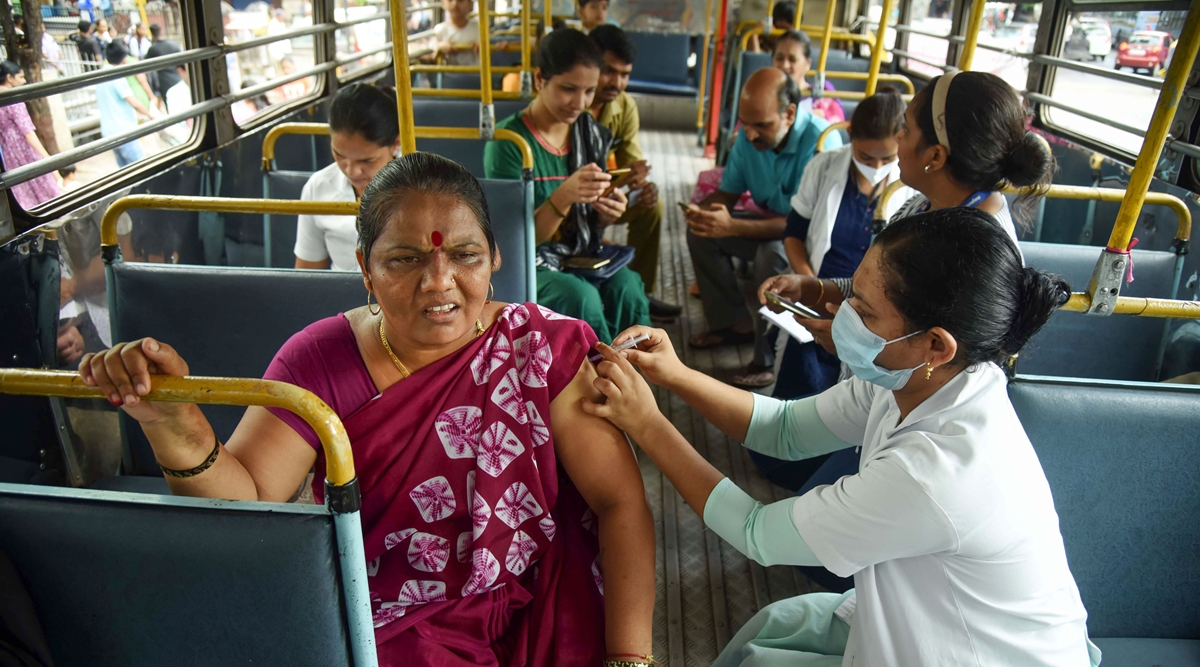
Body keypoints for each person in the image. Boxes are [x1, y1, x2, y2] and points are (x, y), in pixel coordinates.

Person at [76, 152, 656, 666]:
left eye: (465, 254)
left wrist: (629, 660)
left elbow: (618, 501)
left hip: (540, 596)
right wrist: (175, 425)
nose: (439, 281)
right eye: (405, 260)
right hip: (383, 613)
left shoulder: (540, 350)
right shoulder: (319, 361)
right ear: (365, 269)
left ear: (495, 257)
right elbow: (245, 505)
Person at [584, 208, 1101, 667]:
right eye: (853, 293)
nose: (842, 314)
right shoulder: (916, 378)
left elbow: (756, 533)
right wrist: (674, 373)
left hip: (976, 650)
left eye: (866, 313)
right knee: (777, 627)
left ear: (935, 345)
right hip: (921, 611)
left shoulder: (936, 473)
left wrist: (649, 423)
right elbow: (782, 430)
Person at [752, 72, 1055, 586]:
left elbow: (926, 356)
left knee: (815, 550)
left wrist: (857, 340)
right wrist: (821, 291)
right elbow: (881, 287)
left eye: (907, 129)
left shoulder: (976, 245)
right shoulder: (926, 209)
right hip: (885, 391)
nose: (897, 142)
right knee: (781, 456)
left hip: (915, 411)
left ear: (934, 155)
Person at [484, 29, 650, 344]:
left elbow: (586, 224)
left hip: (577, 251)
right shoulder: (510, 143)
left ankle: (634, 381)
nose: (579, 103)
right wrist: (563, 197)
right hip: (529, 259)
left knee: (629, 288)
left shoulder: (590, 135)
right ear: (539, 79)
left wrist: (604, 215)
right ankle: (600, 380)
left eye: (589, 92)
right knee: (580, 297)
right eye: (568, 89)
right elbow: (513, 242)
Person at [684, 67, 841, 388]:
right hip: (767, 222)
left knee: (773, 259)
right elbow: (728, 191)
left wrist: (732, 227)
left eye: (762, 126)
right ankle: (733, 323)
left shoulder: (823, 142)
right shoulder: (748, 136)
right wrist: (710, 212)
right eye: (746, 124)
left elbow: (797, 226)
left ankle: (766, 355)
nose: (750, 135)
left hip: (804, 238)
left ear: (789, 113)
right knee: (701, 233)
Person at [587, 25, 679, 320]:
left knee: (651, 206)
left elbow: (631, 162)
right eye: (609, 71)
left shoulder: (624, 106)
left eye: (625, 74)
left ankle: (641, 290)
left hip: (602, 194)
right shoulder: (571, 104)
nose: (617, 82)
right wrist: (621, 179)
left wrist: (640, 184)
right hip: (569, 196)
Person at [295, 83, 399, 271]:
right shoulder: (318, 188)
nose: (351, 171)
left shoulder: (426, 185)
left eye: (367, 161)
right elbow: (307, 275)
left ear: (395, 144)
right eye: (340, 156)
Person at [0, 61, 63, 209]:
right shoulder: (12, 98)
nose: (24, 81)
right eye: (21, 77)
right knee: (48, 197)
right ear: (9, 77)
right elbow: (28, 133)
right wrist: (49, 162)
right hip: (24, 150)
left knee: (25, 197)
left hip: (8, 155)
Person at [96, 41, 154, 168]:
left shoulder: (99, 75)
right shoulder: (116, 76)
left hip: (108, 132)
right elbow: (133, 101)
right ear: (123, 58)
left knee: (125, 171)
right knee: (140, 168)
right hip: (123, 130)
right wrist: (151, 114)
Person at [772, 30, 845, 123]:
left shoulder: (822, 94)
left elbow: (836, 126)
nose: (785, 65)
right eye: (779, 58)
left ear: (808, 63)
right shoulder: (764, 93)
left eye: (792, 59)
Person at [145, 24, 183, 112]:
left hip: (164, 81)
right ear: (162, 30)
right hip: (177, 78)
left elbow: (147, 65)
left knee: (169, 106)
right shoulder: (174, 45)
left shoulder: (153, 48)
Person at [429, 0, 479, 66]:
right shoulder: (440, 29)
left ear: (469, 3)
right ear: (443, 3)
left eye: (460, 1)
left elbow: (490, 53)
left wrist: (483, 44)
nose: (455, 4)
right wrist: (440, 46)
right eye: (450, 0)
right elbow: (432, 56)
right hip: (449, 75)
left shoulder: (478, 27)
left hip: (475, 74)